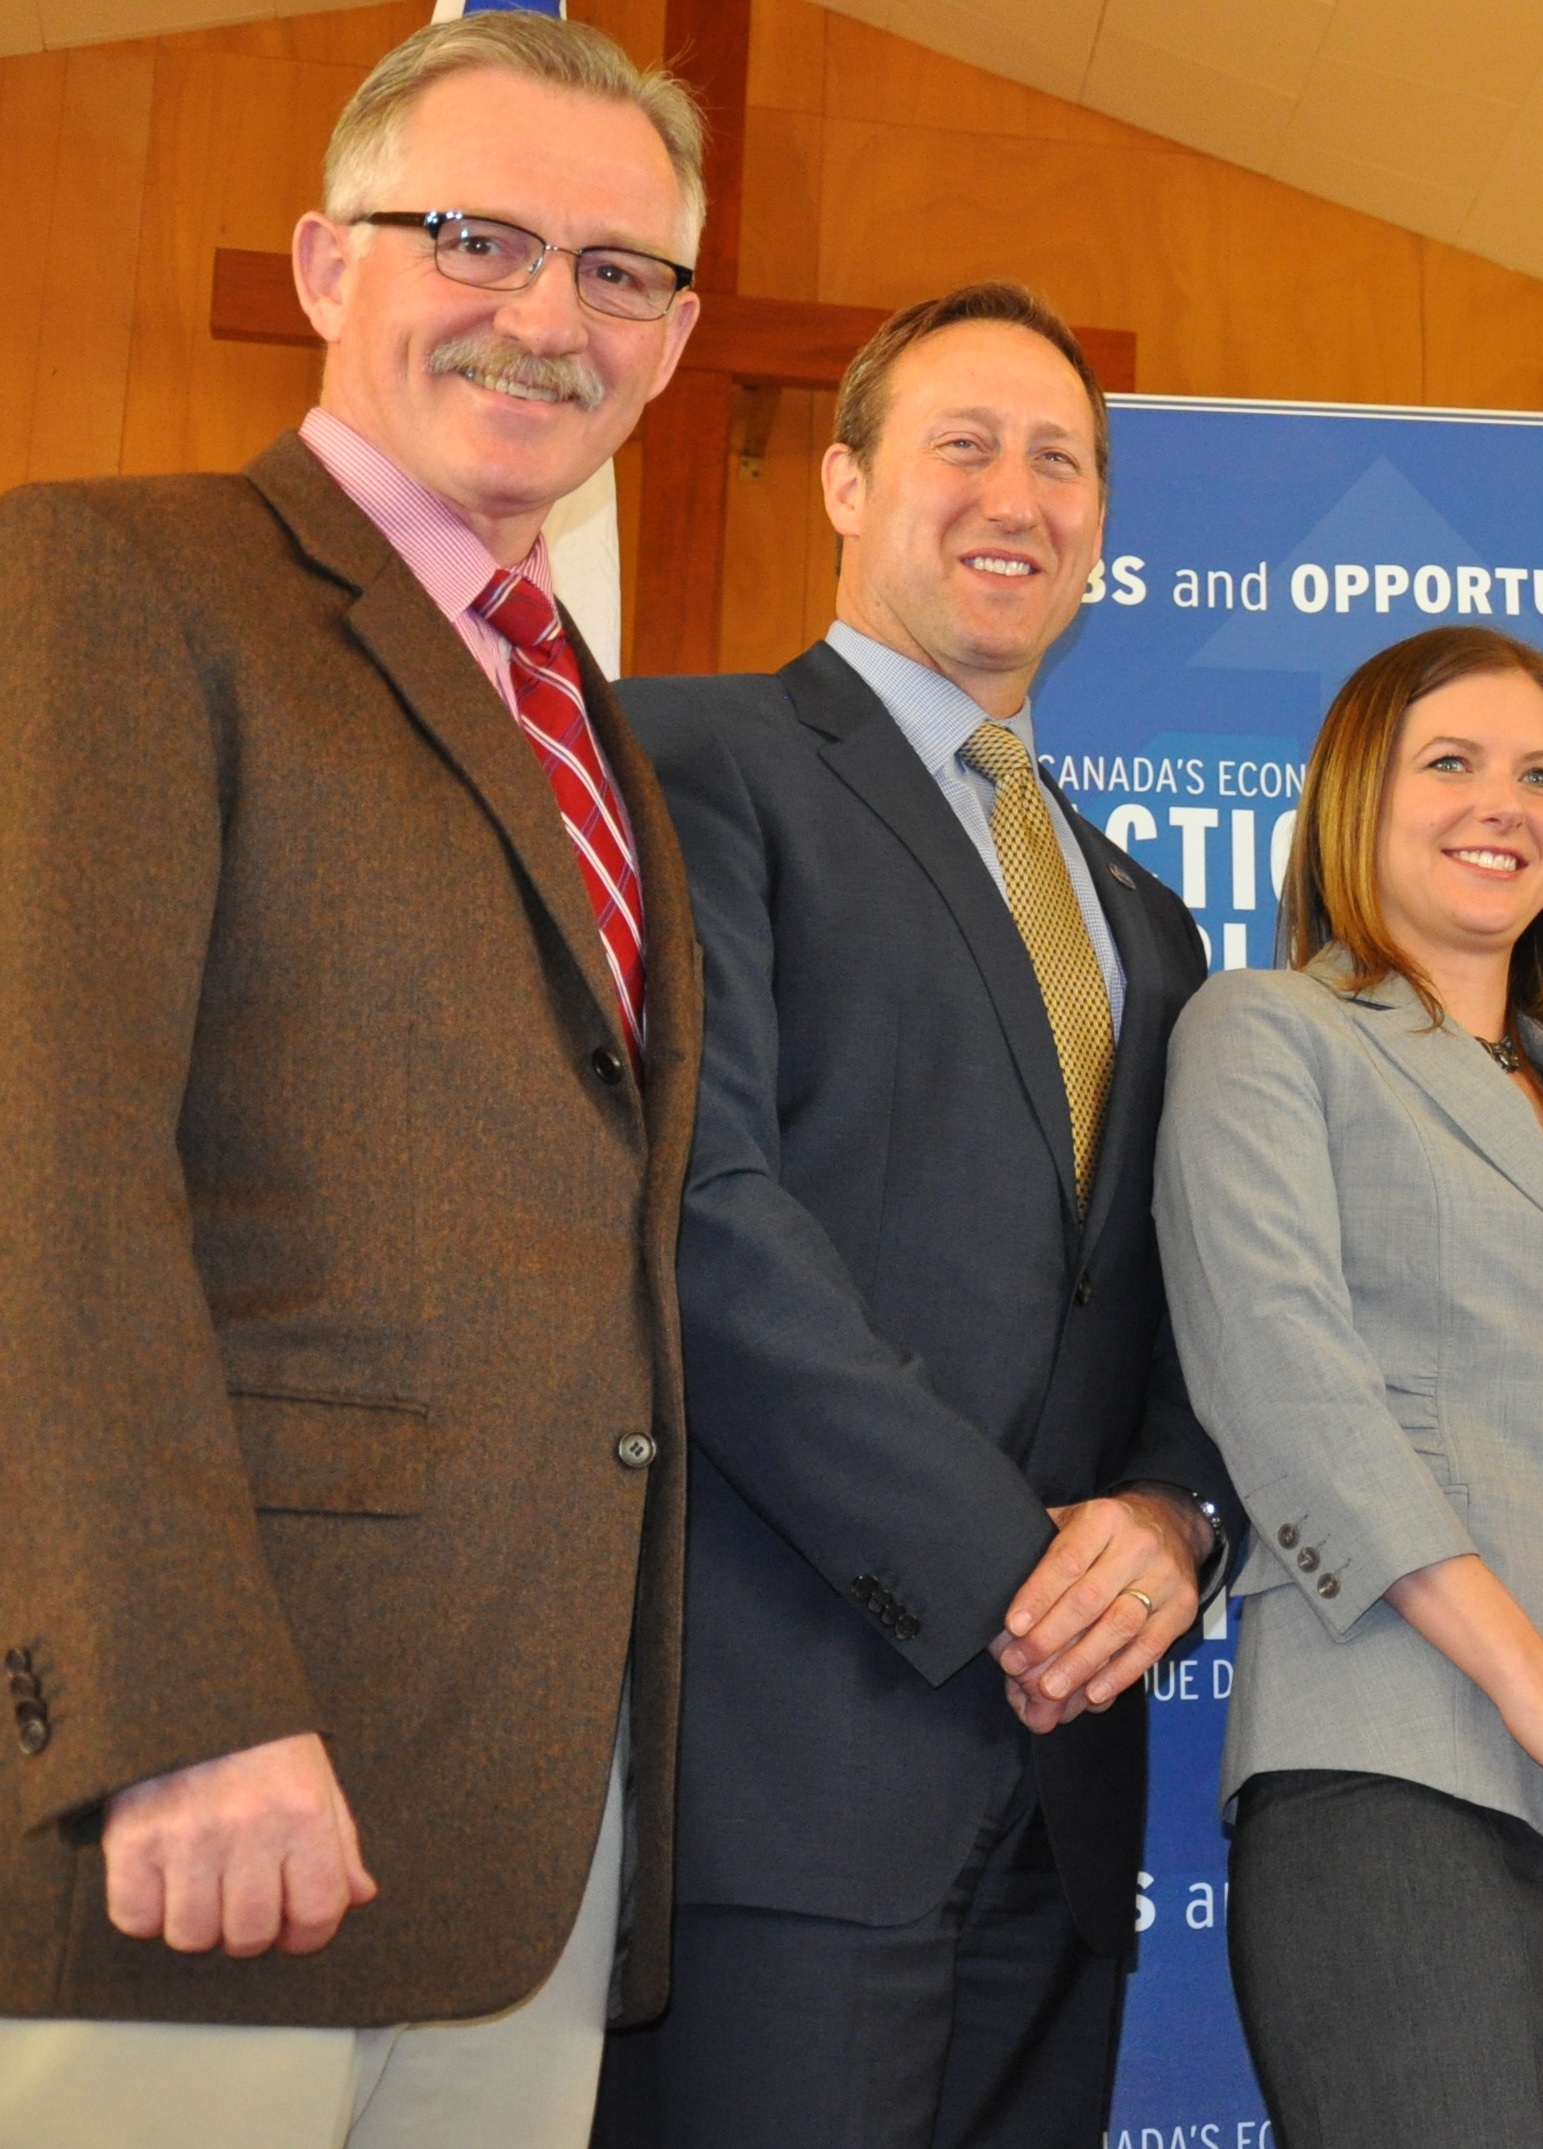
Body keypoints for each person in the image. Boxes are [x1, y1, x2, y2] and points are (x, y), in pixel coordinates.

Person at [0, 15, 706, 2145]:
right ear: (326, 265)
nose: (545, 316)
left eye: (619, 272)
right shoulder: (114, 579)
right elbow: (44, 1168)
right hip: (205, 1810)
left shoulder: (587, 716)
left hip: (519, 1824)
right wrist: (173, 1709)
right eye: (476, 237)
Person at [591, 284, 1238, 2149]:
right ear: (846, 482)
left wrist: (1170, 1515)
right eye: (962, 443)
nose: (1013, 494)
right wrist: (999, 1565)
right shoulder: (685, 759)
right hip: (792, 1772)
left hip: (1066, 1801)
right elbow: (698, 1210)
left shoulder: (1142, 914)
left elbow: (1176, 1297)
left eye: (1060, 461)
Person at [1157, 624, 1543, 2147]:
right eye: (1454, 762)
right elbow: (1291, 1396)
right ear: (1359, 795)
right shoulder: (1265, 1032)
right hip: (1392, 1781)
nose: (1508, 803)